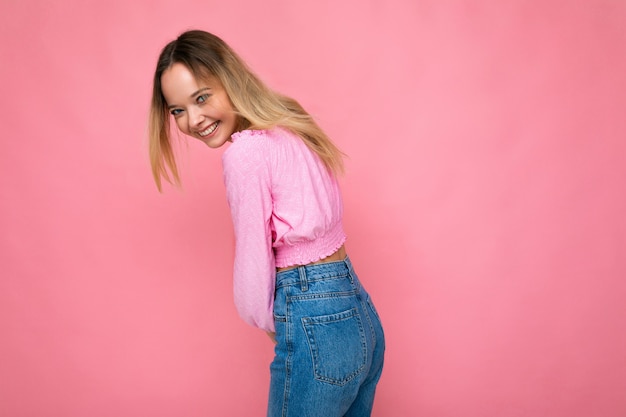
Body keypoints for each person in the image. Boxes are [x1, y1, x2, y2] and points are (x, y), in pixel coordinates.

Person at [148, 30, 385, 417]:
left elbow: (254, 258)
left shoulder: (246, 153)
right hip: (360, 313)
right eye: (177, 110)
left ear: (229, 80)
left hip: (315, 319)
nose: (193, 120)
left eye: (201, 98)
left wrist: (269, 321)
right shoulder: (289, 122)